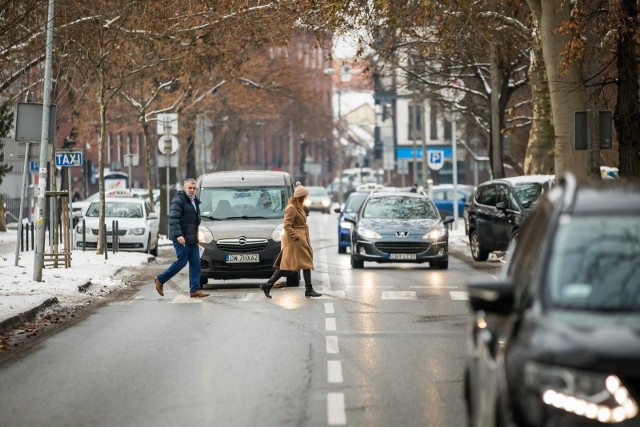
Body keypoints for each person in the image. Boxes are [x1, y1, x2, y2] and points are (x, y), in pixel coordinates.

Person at [260, 182, 321, 299]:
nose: (306, 198)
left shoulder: (299, 207)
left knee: (286, 265)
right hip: (295, 240)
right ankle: (309, 289)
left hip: (300, 237)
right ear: (301, 197)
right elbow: (287, 226)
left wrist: (304, 213)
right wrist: (297, 237)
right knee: (305, 262)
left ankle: (267, 285)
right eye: (305, 196)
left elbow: (300, 219)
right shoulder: (291, 208)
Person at [154, 178, 209, 298]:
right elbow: (173, 219)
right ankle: (160, 279)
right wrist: (179, 235)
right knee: (182, 262)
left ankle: (195, 289)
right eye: (190, 188)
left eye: (194, 188)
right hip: (181, 238)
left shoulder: (194, 201)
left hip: (192, 238)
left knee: (195, 262)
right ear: (184, 188)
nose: (192, 190)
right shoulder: (178, 200)